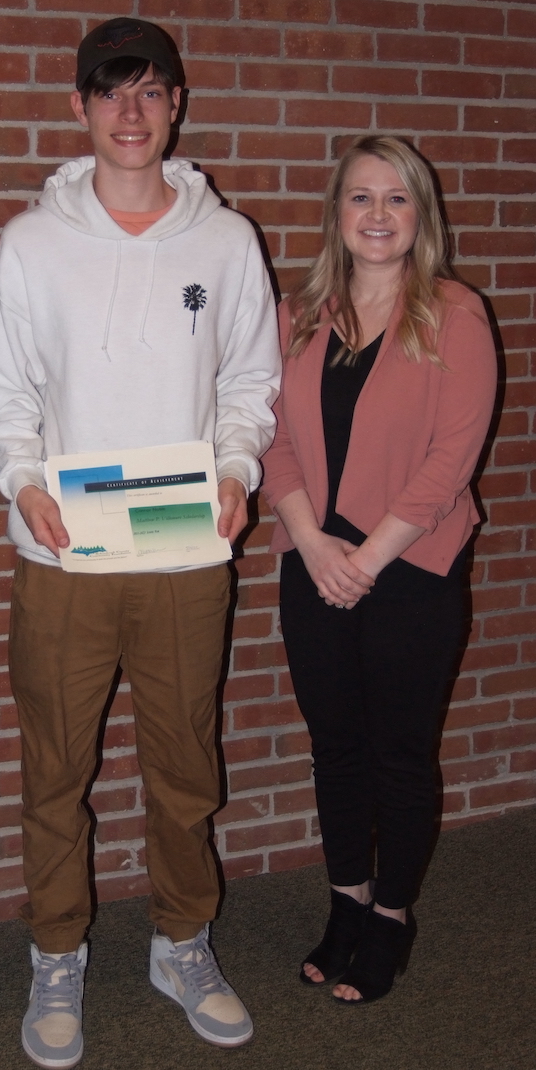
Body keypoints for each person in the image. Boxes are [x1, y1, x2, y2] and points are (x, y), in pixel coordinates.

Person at [0, 17, 280, 1067]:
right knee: (58, 766)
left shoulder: (224, 240)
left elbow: (249, 381)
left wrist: (237, 468)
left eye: (151, 91)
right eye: (111, 93)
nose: (131, 112)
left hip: (184, 553)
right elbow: (6, 393)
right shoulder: (32, 243)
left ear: (176, 105)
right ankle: (56, 951)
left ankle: (180, 940)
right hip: (65, 555)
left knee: (181, 762)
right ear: (79, 108)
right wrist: (22, 483)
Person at [261, 135, 497, 1004]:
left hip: (410, 568)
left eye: (396, 199)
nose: (378, 215)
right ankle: (346, 902)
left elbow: (452, 457)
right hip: (312, 562)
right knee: (336, 751)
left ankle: (392, 914)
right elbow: (271, 438)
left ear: (419, 216)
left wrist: (365, 556)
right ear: (337, 213)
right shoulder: (299, 316)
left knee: (399, 753)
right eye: (361, 197)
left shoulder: (455, 314)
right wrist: (315, 545)